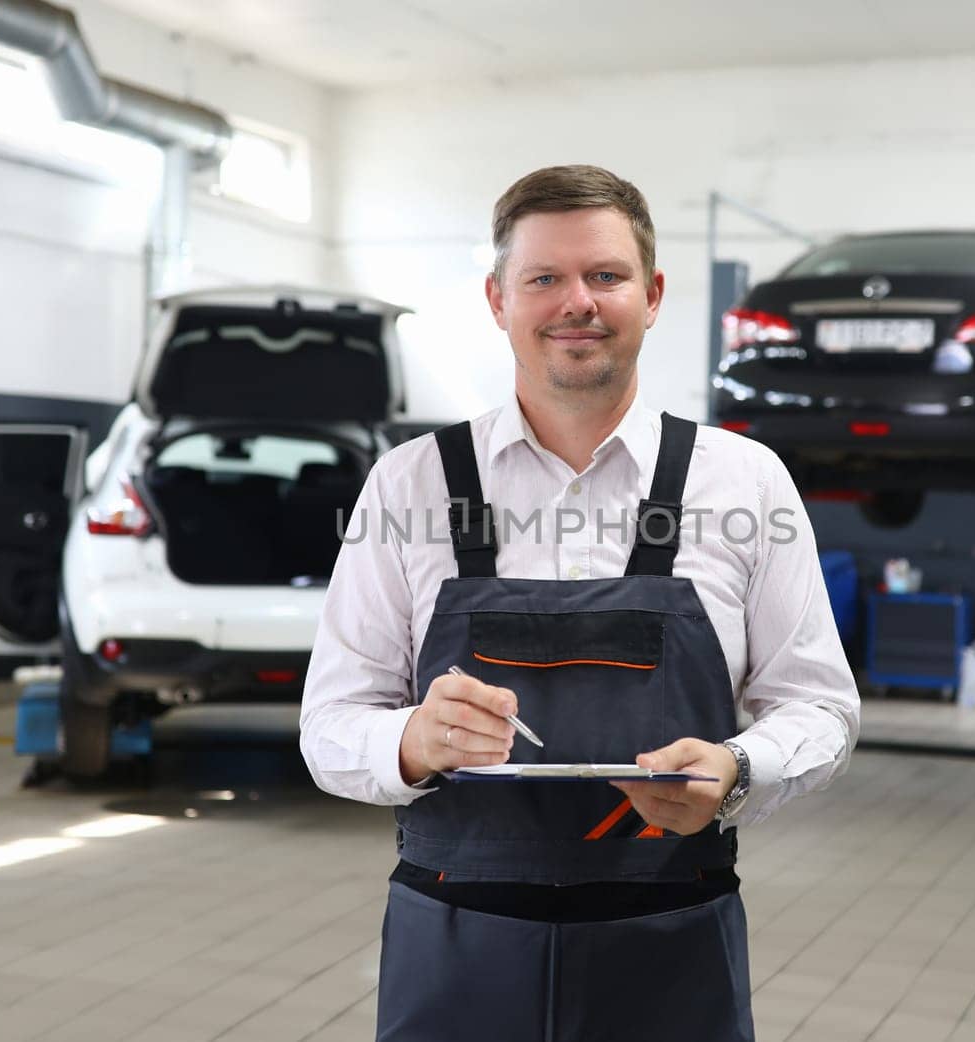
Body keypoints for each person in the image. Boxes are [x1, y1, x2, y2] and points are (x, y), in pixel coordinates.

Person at [299, 164, 860, 1042]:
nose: (577, 302)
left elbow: (820, 705)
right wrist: (409, 741)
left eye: (605, 276)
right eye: (544, 278)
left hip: (672, 944)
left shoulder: (744, 481)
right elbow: (330, 722)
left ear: (653, 293)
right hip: (455, 945)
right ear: (497, 298)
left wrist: (738, 770)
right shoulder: (408, 484)